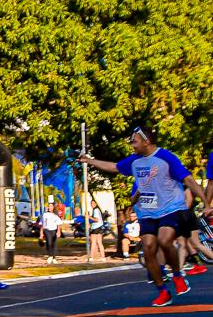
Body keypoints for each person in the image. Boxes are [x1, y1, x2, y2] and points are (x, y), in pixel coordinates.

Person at [81, 126, 210, 307]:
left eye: (134, 141)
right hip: (147, 212)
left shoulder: (166, 157)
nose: (132, 145)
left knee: (164, 240)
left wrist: (206, 202)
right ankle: (163, 292)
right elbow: (114, 167)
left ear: (146, 141)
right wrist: (89, 161)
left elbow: (188, 180)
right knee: (148, 248)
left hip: (170, 208)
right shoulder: (134, 160)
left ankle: (178, 276)